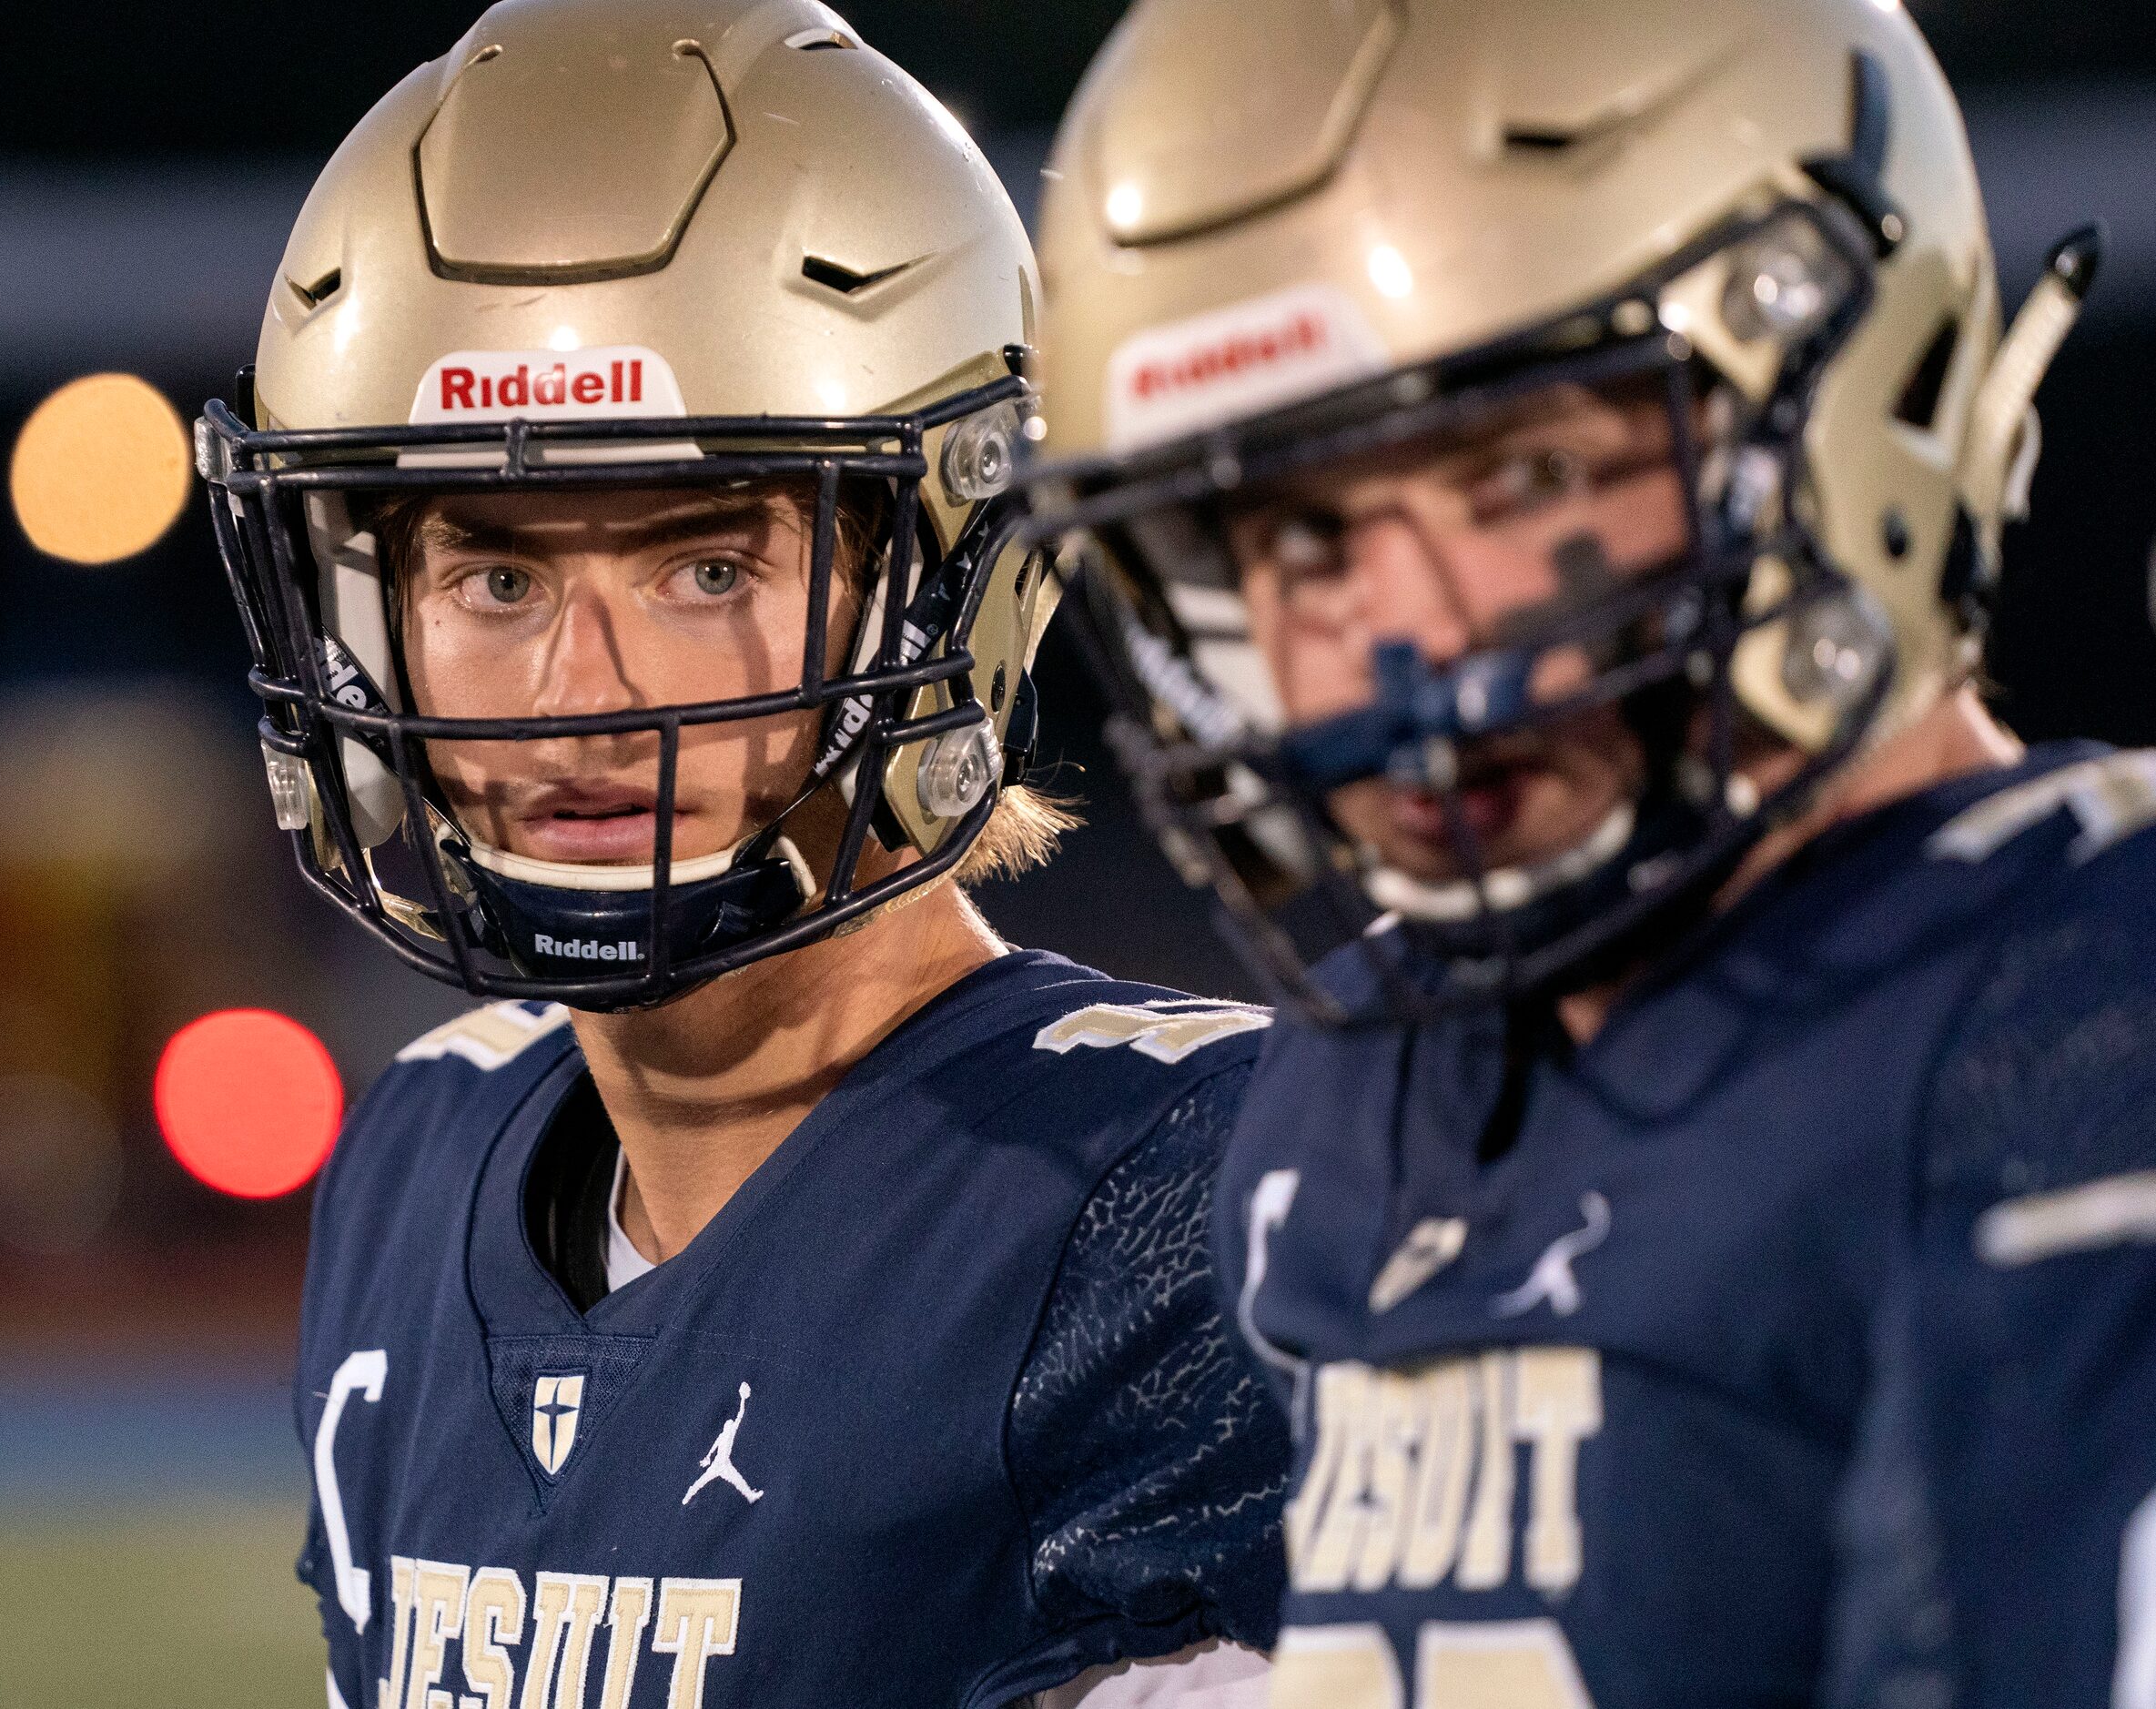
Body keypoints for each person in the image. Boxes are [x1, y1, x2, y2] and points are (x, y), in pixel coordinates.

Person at [1021, 0, 2151, 1704]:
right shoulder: (1351, 1081)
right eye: (1298, 530)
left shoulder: (2070, 1001)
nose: (1398, 639)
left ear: (1848, 391)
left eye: (1524, 474)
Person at [193, 2, 1288, 1704]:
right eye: (495, 580)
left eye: (704, 568)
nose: (580, 701)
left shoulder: (1182, 1200)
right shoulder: (425, 1149)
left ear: (948, 579)